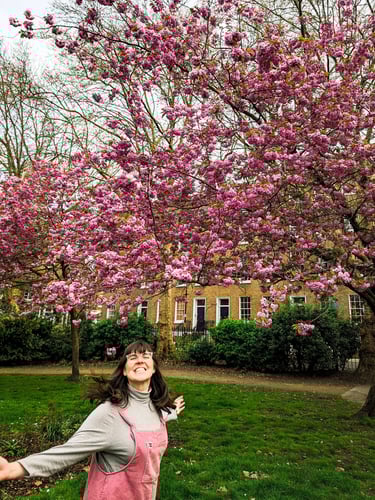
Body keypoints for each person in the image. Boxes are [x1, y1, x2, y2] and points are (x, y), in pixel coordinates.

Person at [0, 340, 185, 500]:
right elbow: (68, 451)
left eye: (146, 356)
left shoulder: (157, 409)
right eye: (132, 357)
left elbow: (154, 419)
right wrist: (13, 469)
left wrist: (173, 410)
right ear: (124, 372)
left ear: (153, 369)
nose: (139, 360)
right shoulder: (109, 414)